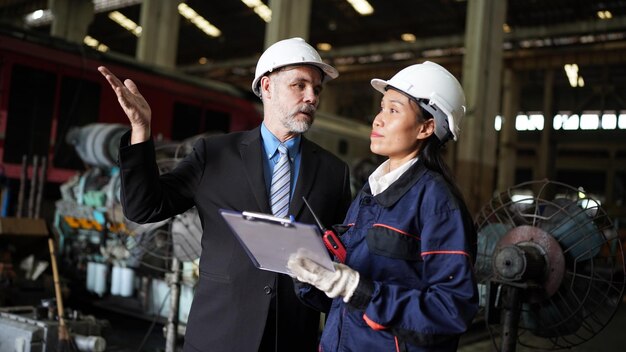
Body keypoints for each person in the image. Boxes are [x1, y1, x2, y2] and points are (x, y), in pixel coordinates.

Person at [98, 37, 352, 352]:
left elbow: (344, 252)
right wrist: (140, 130)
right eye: (299, 85)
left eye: (317, 89)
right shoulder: (214, 154)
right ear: (268, 87)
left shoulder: (334, 172)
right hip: (219, 335)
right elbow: (144, 208)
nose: (311, 96)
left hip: (291, 338)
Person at [288, 61, 479, 351]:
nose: (378, 120)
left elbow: (451, 310)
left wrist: (361, 290)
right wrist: (315, 277)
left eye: (393, 110)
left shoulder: (437, 203)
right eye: (381, 107)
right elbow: (344, 299)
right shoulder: (370, 192)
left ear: (426, 127)